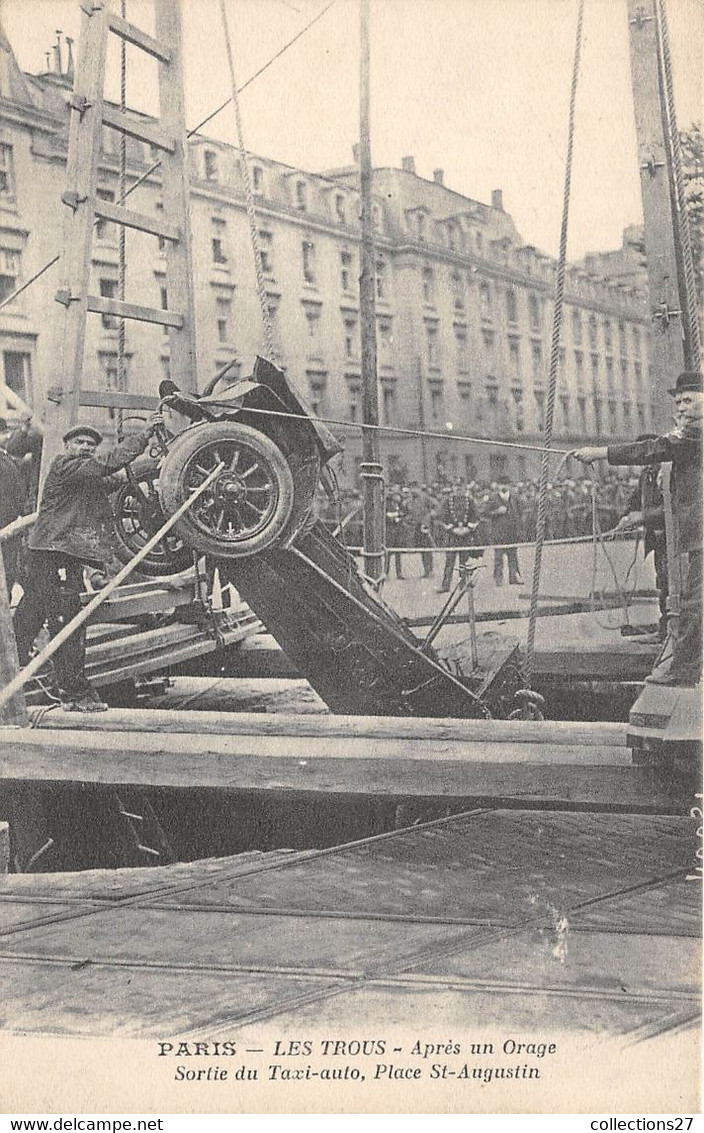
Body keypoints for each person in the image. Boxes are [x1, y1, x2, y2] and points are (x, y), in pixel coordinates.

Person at [13, 416, 164, 711]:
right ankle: (72, 691)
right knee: (61, 618)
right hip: (51, 552)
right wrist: (144, 436)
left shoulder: (85, 476)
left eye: (90, 445)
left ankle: (14, 671)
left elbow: (116, 479)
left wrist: (157, 466)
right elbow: (107, 465)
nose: (84, 447)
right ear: (67, 446)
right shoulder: (65, 466)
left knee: (38, 613)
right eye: (79, 442)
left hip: (59, 553)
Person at [574, 370, 702, 686]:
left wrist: (600, 453)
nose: (681, 407)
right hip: (697, 538)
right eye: (678, 402)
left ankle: (684, 672)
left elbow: (652, 450)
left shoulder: (696, 435)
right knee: (691, 601)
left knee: (693, 604)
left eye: (688, 400)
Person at [615, 435, 668, 642]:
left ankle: (671, 633)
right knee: (662, 582)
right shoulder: (646, 473)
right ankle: (665, 631)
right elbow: (636, 500)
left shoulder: (669, 471)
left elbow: (671, 508)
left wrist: (641, 519)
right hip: (657, 538)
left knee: (673, 585)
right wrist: (626, 516)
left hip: (674, 539)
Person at [437, 479, 482, 593]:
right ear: (453, 488)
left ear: (464, 488)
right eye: (456, 487)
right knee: (449, 562)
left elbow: (476, 516)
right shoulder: (447, 501)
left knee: (465, 561)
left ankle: (464, 585)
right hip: (452, 536)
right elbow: (442, 517)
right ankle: (446, 585)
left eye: (460, 487)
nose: (458, 490)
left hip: (466, 536)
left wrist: (468, 528)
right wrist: (453, 529)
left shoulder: (470, 501)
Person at [0, 419, 28, 593]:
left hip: (10, 524)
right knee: (6, 573)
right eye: (3, 433)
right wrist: (14, 517)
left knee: (10, 572)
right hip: (6, 524)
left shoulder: (5, 457)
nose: (7, 436)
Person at [485, 478, 523, 586]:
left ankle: (514, 577)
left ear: (509, 485)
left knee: (513, 556)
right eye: (501, 484)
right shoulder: (492, 498)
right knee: (498, 557)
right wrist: (497, 512)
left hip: (512, 531)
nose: (504, 486)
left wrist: (518, 527)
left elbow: (520, 512)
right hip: (498, 532)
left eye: (506, 484)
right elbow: (485, 513)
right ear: (497, 485)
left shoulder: (514, 497)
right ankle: (498, 578)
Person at [406, 483, 435, 579]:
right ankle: (426, 570)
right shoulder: (410, 500)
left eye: (415, 488)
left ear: (419, 489)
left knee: (427, 549)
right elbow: (410, 511)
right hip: (416, 527)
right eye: (411, 488)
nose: (413, 490)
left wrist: (427, 520)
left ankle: (430, 570)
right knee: (422, 549)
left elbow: (436, 507)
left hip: (424, 526)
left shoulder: (425, 498)